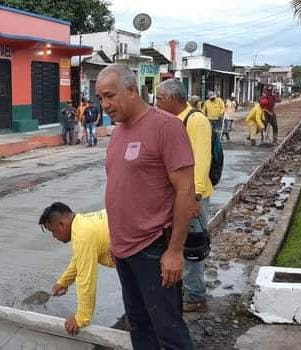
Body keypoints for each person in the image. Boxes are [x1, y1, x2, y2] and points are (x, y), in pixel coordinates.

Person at [96, 64, 195, 350]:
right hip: (124, 251)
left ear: (131, 90)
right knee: (139, 325)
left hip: (154, 248)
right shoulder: (118, 133)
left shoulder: (166, 126)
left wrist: (175, 251)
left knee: (169, 330)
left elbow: (186, 190)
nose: (105, 105)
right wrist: (116, 243)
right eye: (100, 98)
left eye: (109, 96)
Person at [156, 79, 213, 313]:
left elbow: (200, 161)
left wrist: (194, 198)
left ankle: (196, 296)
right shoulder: (170, 122)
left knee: (190, 247)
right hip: (176, 195)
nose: (156, 103)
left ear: (171, 99)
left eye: (159, 98)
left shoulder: (196, 121)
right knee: (174, 244)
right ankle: (183, 290)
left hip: (192, 196)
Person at [38, 202, 114, 336]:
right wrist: (63, 282)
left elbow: (86, 279)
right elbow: (78, 260)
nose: (54, 237)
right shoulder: (82, 223)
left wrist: (81, 318)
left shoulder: (83, 235)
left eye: (53, 231)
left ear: (61, 224)